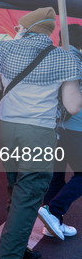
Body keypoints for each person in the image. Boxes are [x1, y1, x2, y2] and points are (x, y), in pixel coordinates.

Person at [0, 0, 82, 259]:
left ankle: (19, 246)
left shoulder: (7, 49)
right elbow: (73, 104)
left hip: (6, 127)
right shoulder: (64, 56)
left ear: (26, 28)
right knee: (29, 194)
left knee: (16, 189)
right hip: (37, 131)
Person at [39, 23, 82, 240]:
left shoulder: (51, 59)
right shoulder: (77, 61)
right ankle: (53, 211)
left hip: (52, 127)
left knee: (56, 176)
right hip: (74, 128)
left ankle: (52, 224)